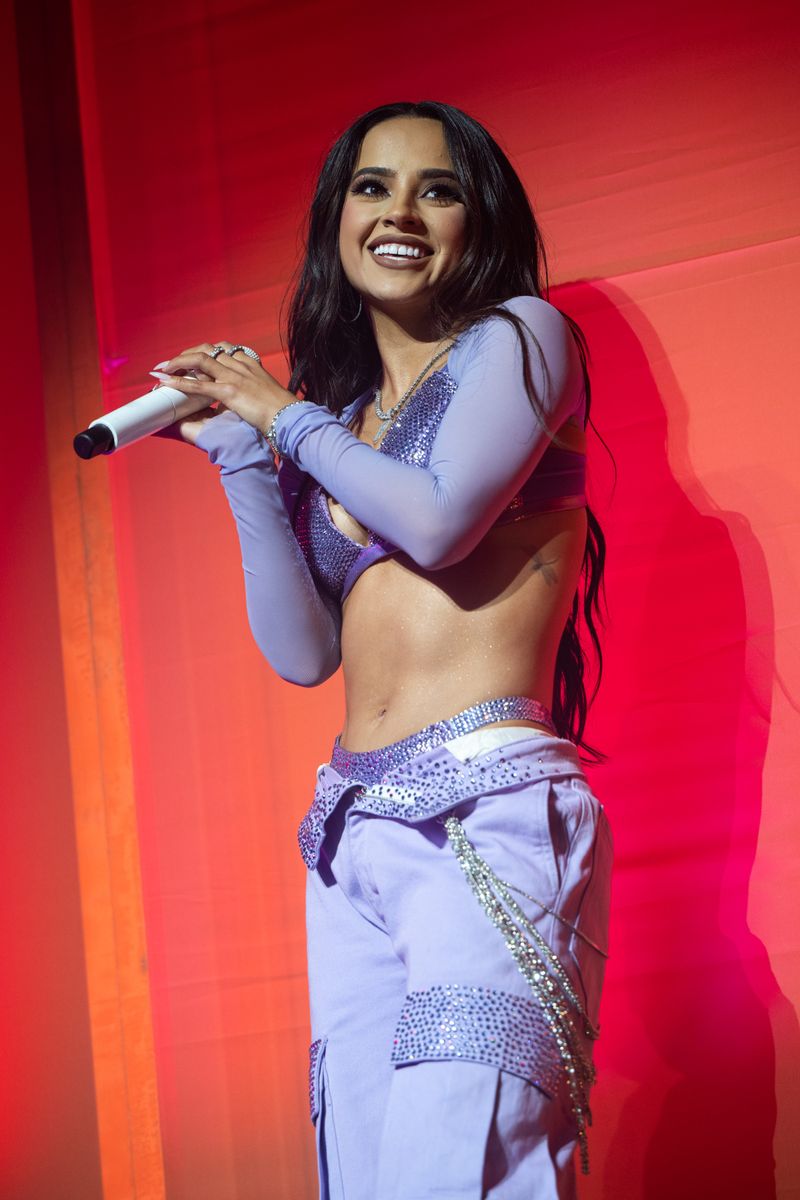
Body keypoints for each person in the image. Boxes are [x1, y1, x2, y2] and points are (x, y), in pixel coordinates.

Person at [152, 101, 612, 1200]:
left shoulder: (521, 339)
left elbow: (441, 520)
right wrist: (239, 460)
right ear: (336, 220)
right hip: (351, 838)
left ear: (476, 220)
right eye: (371, 187)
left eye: (435, 189)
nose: (399, 211)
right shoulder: (346, 417)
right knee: (363, 1177)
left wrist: (279, 416)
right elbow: (304, 652)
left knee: (459, 1170)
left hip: (481, 812)